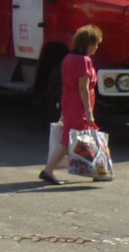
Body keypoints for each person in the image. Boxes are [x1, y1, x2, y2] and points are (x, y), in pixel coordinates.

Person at [41, 23, 103, 185]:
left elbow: (66, 83)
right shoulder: (84, 61)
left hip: (68, 99)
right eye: (95, 44)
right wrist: (89, 112)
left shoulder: (68, 58)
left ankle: (96, 169)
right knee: (73, 137)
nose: (96, 48)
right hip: (79, 103)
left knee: (80, 135)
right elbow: (83, 87)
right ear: (89, 44)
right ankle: (48, 170)